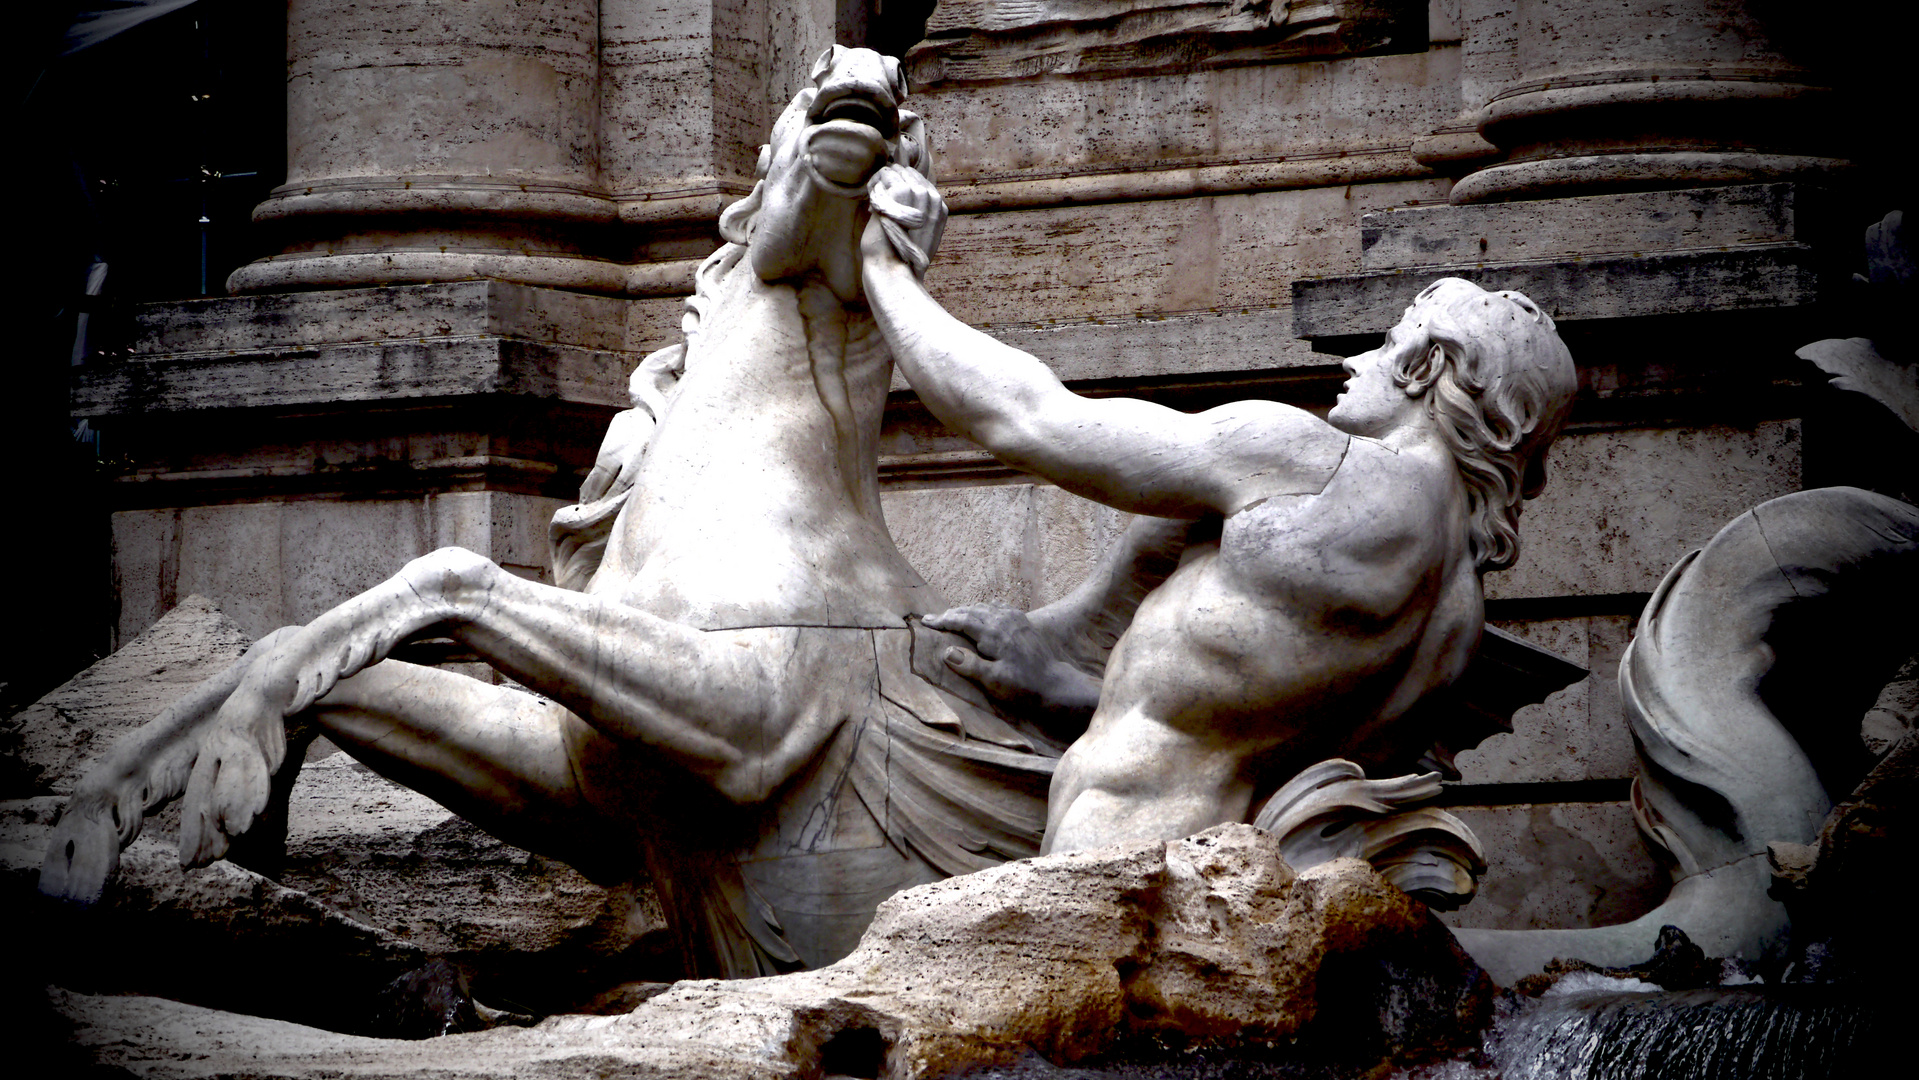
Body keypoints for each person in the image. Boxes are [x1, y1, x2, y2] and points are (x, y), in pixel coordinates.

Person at [860, 165, 1579, 854]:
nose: (1353, 362)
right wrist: (1058, 691)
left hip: (1117, 874)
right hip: (1247, 902)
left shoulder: (1312, 465)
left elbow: (1026, 419)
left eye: (1386, 343)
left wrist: (889, 270)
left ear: (1424, 367)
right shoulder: (1456, 619)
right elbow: (1233, 738)